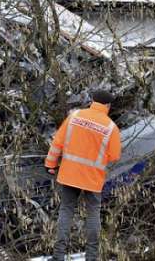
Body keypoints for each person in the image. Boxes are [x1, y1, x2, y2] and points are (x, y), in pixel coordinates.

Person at [45, 90, 121, 261]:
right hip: (92, 178)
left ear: (92, 101)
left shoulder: (75, 116)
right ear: (107, 105)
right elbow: (115, 155)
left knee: (66, 211)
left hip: (69, 174)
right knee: (93, 214)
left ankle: (58, 256)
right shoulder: (110, 127)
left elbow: (58, 142)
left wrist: (50, 164)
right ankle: (91, 257)